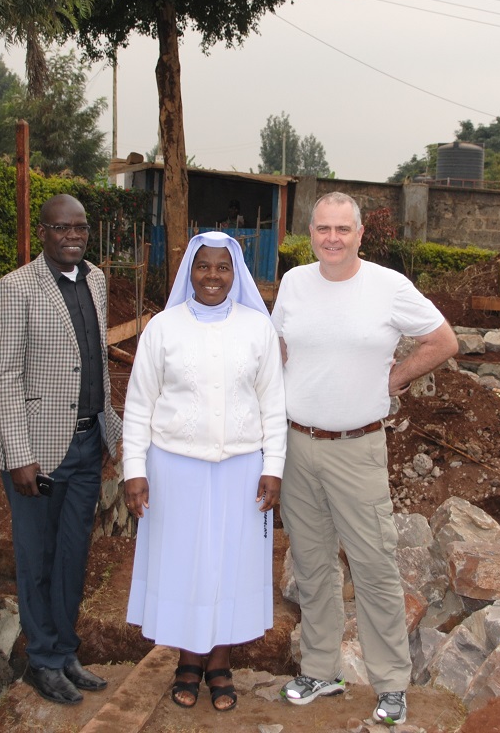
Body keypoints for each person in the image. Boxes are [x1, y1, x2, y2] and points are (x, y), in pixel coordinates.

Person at [271, 192, 458, 728]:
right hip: (298, 444)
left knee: (374, 566)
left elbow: (443, 340)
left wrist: (394, 378)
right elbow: (279, 347)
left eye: (343, 229)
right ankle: (321, 669)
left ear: (360, 234)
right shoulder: (294, 284)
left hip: (357, 448)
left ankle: (391, 684)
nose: (332, 238)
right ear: (310, 232)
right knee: (312, 564)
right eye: (323, 229)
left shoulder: (387, 286)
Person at [122, 231, 286, 712]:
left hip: (240, 468)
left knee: (228, 566)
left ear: (235, 274)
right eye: (203, 266)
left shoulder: (257, 329)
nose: (212, 276)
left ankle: (220, 662)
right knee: (186, 566)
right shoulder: (163, 328)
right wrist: (135, 470)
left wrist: (272, 467)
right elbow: (138, 405)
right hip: (174, 468)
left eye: (222, 268)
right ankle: (187, 661)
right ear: (188, 272)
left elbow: (273, 406)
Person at [0, 194, 123, 705]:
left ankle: (65, 651)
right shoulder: (15, 289)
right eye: (62, 228)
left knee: (72, 555)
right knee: (37, 556)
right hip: (38, 453)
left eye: (80, 227)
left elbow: (96, 364)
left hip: (87, 446)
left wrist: (113, 431)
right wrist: (19, 455)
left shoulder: (96, 280)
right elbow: (7, 378)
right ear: (43, 232)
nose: (73, 236)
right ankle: (40, 659)